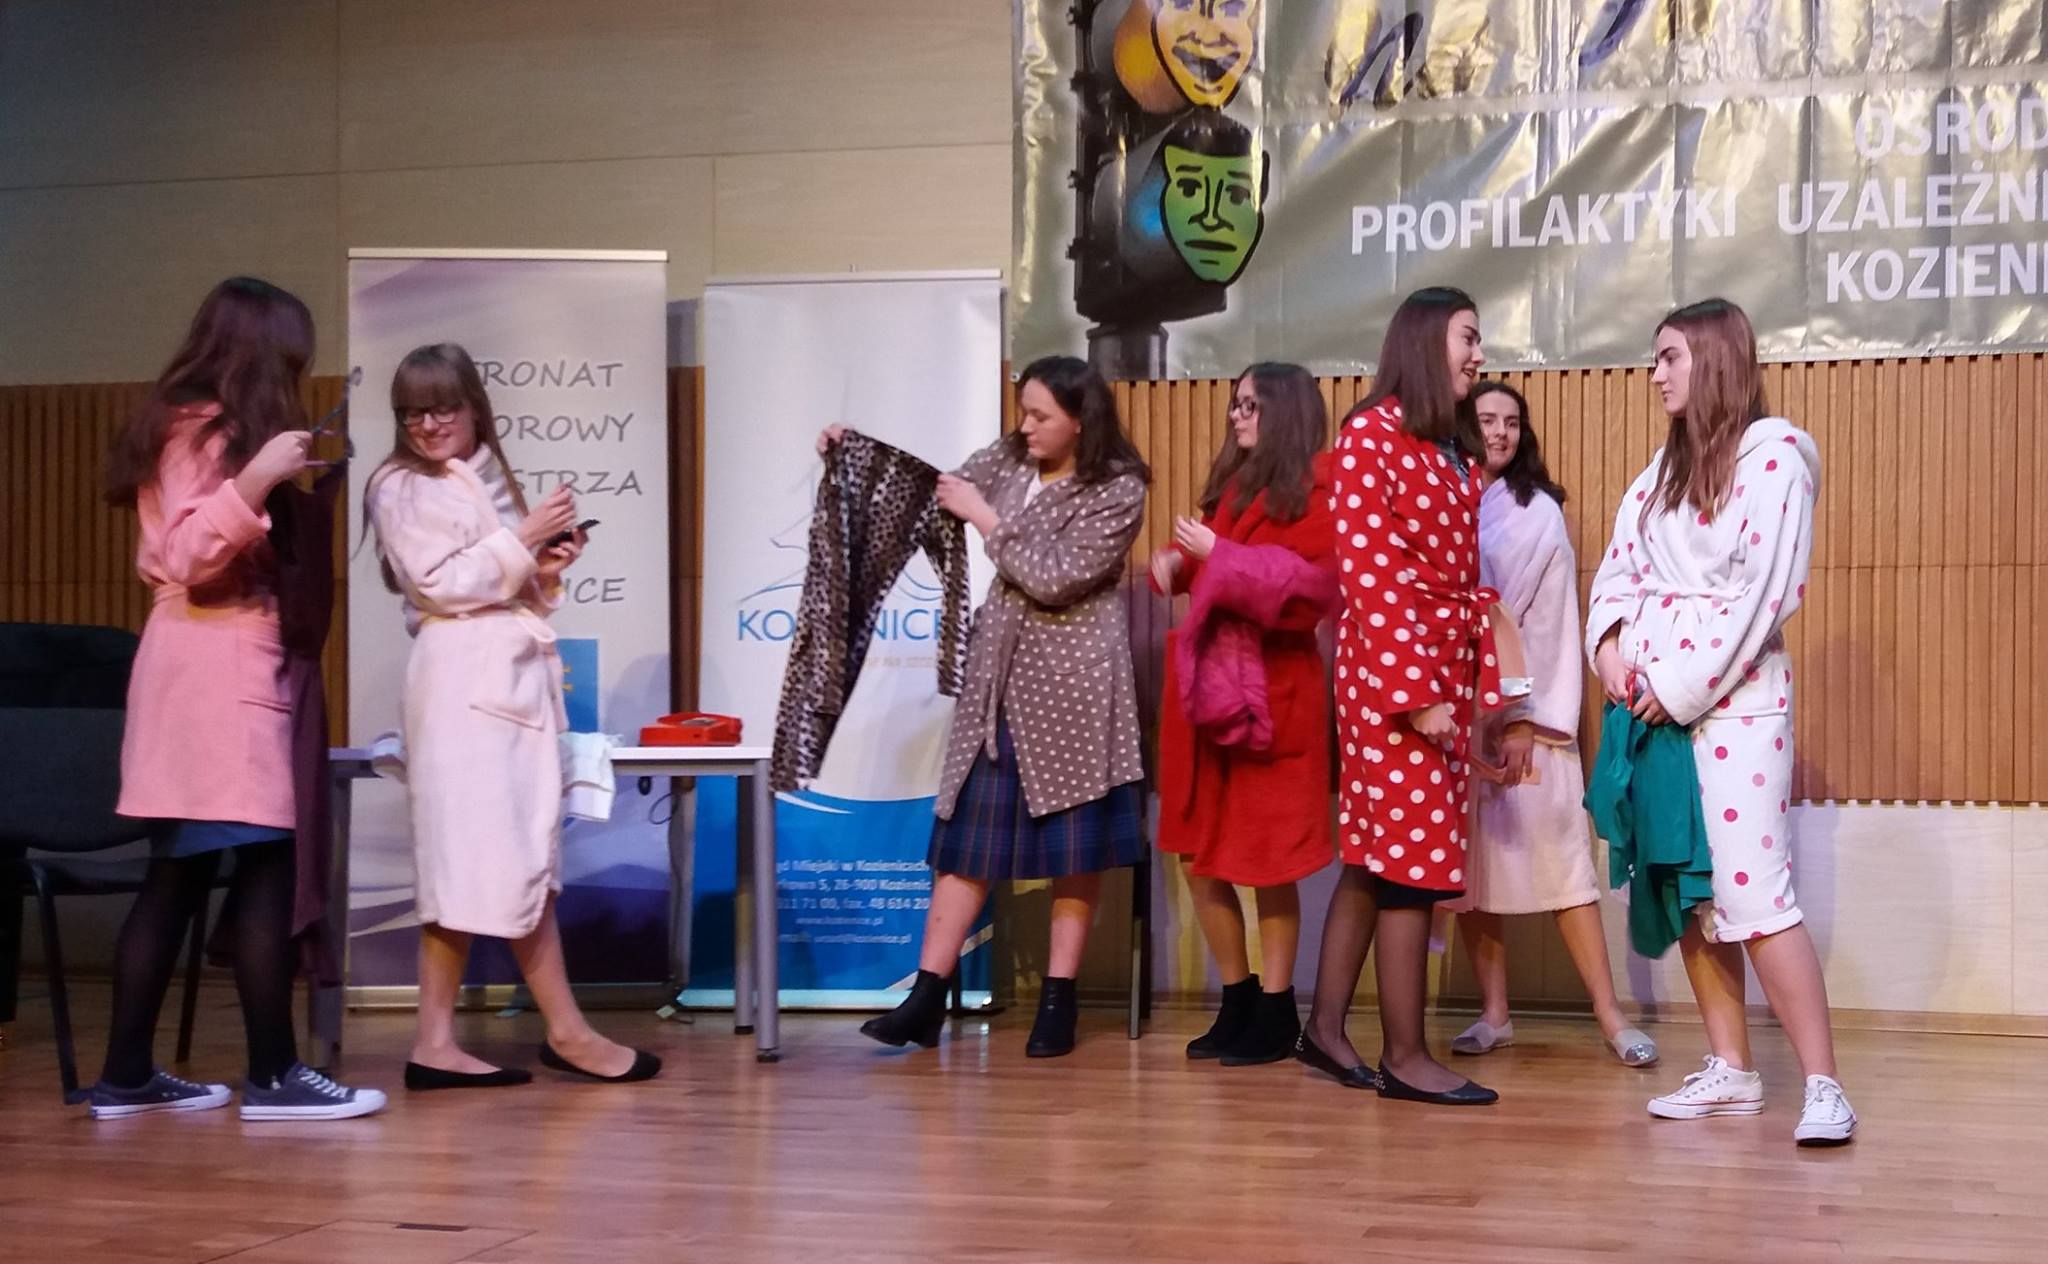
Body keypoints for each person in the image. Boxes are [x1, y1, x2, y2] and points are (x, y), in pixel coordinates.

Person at [93, 277, 384, 1121]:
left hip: (202, 676)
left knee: (178, 879)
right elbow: (186, 556)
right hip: (216, 676)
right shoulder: (201, 431)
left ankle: (127, 1076)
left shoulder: (191, 427)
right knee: (263, 872)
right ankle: (274, 1075)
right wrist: (256, 477)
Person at [1586, 298, 1855, 1145]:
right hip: (1652, 708)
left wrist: (1676, 683)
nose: (1654, 373)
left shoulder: (1774, 458)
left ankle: (1825, 1085)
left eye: (1669, 356)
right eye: (1653, 357)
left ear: (1714, 359)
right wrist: (1610, 652)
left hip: (1733, 706)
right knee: (1687, 885)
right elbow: (1616, 574)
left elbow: (1765, 595)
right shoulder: (1658, 473)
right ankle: (1731, 1068)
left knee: (1751, 890)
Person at [366, 343, 660, 1088]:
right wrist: (523, 539)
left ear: (473, 407)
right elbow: (438, 586)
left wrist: (544, 569)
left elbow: (496, 586)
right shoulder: (400, 484)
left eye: (442, 409)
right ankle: (566, 1033)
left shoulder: (481, 471)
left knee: (491, 862)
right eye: (411, 412)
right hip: (463, 687)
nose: (427, 425)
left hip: (500, 681)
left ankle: (439, 1042)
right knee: (491, 861)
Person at [845, 354, 1151, 1059]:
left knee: (1074, 848)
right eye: (1023, 412)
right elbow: (938, 490)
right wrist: (859, 454)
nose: (1027, 426)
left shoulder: (1118, 488)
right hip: (1000, 682)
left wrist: (985, 518)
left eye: (1041, 415)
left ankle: (1059, 999)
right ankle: (926, 995)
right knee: (967, 841)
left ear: (1081, 420)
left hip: (1074, 687)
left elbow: (1055, 577)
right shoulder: (1013, 456)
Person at [1297, 286, 1502, 1106]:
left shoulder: (1445, 444)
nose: (1478, 355)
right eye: (1467, 338)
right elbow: (1371, 576)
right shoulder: (1370, 435)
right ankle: (1406, 1056)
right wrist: (1416, 696)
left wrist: (1471, 686)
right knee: (1412, 865)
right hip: (1393, 678)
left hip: (1438, 666)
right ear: (1424, 341)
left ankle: (1324, 1030)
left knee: (1375, 857)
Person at [1446, 381, 1657, 1068]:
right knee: (1475, 882)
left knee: (1566, 873)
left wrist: (1517, 718)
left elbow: (1532, 625)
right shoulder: (1447, 500)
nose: (1499, 433)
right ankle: (1495, 1014)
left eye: (1511, 422)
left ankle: (1610, 1016)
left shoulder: (1535, 511)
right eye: (1486, 420)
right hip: (1464, 722)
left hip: (1530, 719)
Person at [1149, 362, 1336, 1065]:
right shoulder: (1234, 488)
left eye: (1250, 405)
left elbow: (1312, 589)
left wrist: (1218, 556)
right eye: (1235, 404)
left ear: (1286, 411)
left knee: (1270, 859)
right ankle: (1237, 996)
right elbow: (1213, 565)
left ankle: (1278, 1009)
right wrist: (1178, 565)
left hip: (1274, 696)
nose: (1236, 415)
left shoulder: (1322, 491)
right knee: (1200, 855)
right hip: (1210, 692)